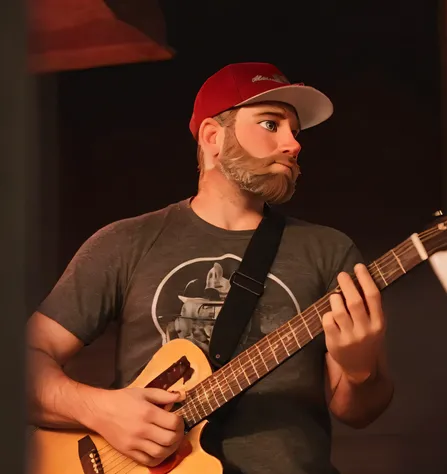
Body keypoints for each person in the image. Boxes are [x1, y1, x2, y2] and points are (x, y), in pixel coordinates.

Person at [26, 62, 395, 474]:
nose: (293, 144)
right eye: (271, 124)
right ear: (213, 138)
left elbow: (357, 412)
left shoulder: (329, 249)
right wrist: (100, 410)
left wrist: (361, 371)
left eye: (295, 131)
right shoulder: (125, 242)